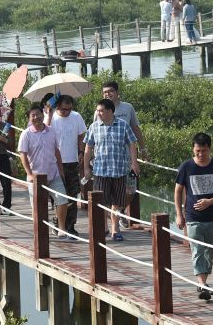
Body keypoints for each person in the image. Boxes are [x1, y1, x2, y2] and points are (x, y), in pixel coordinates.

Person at [174, 132, 213, 300]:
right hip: (192, 216)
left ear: (209, 149)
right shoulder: (186, 167)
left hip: (212, 216)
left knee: (209, 251)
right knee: (197, 250)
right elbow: (178, 190)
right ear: (193, 149)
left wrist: (210, 202)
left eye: (204, 151)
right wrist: (179, 214)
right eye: (198, 151)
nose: (201, 154)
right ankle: (202, 284)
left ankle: (204, 282)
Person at [82, 98, 139, 241]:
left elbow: (132, 143)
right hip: (101, 171)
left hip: (119, 170)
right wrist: (86, 167)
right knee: (101, 202)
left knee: (117, 202)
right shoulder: (94, 127)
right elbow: (88, 148)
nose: (99, 113)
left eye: (101, 110)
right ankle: (104, 228)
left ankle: (115, 229)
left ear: (110, 111)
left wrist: (134, 162)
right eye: (98, 110)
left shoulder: (123, 125)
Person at [93, 81, 148, 227]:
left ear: (117, 92)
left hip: (127, 159)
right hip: (105, 162)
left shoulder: (127, 107)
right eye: (105, 92)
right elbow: (95, 135)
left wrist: (143, 150)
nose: (107, 94)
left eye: (110, 91)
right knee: (105, 194)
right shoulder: (98, 112)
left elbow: (135, 129)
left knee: (130, 190)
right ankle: (114, 219)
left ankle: (120, 210)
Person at [18, 104, 71, 238]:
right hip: (36, 177)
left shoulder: (51, 130)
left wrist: (61, 170)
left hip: (53, 174)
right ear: (29, 118)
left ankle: (62, 228)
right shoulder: (26, 134)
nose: (36, 117)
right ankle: (40, 232)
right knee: (37, 207)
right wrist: (29, 174)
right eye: (32, 115)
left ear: (43, 114)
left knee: (62, 200)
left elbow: (56, 151)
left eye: (38, 114)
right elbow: (23, 155)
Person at [46, 94, 87, 237]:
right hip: (55, 163)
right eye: (64, 109)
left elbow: (82, 135)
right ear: (58, 106)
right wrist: (48, 114)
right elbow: (44, 132)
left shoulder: (76, 117)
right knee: (58, 196)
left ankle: (70, 225)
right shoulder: (51, 118)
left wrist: (81, 151)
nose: (67, 112)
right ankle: (58, 222)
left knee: (73, 194)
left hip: (72, 161)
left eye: (69, 109)